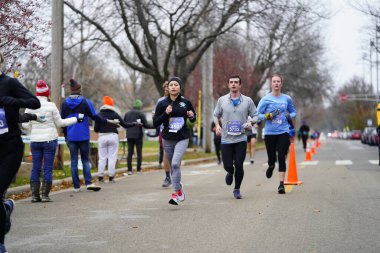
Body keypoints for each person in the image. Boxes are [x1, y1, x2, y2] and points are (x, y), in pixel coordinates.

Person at [0, 52, 41, 253]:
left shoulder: (9, 83)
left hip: (10, 148)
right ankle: (6, 209)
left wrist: (11, 101)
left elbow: (34, 102)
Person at [22, 80, 78, 202]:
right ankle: (45, 195)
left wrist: (33, 127)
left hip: (35, 140)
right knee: (47, 167)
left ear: (37, 93)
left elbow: (25, 125)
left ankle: (34, 196)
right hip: (50, 140)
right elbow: (60, 123)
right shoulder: (51, 106)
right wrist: (75, 119)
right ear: (47, 93)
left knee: (36, 167)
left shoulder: (30, 106)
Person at [61, 79, 118, 192]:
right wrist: (107, 121)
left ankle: (76, 186)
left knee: (73, 161)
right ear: (79, 90)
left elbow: (61, 120)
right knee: (85, 160)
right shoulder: (85, 102)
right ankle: (88, 183)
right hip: (83, 135)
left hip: (71, 135)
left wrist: (66, 134)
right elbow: (95, 116)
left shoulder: (64, 104)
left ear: (71, 90)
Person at [153, 76, 196, 205]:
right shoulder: (162, 103)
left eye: (176, 85)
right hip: (168, 138)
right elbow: (156, 122)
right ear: (168, 87)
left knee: (176, 164)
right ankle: (179, 191)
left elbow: (193, 117)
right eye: (171, 85)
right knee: (173, 167)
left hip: (182, 138)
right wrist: (165, 113)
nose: (173, 87)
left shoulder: (186, 102)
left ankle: (175, 194)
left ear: (180, 87)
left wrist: (192, 116)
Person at [213, 75, 257, 199]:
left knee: (239, 164)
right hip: (226, 138)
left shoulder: (247, 101)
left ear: (240, 85)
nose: (233, 84)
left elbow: (256, 115)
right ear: (228, 85)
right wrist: (217, 125)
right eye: (231, 82)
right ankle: (229, 172)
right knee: (228, 165)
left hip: (241, 138)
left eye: (236, 82)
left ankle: (237, 189)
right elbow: (215, 115)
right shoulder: (222, 100)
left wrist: (251, 123)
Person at [256, 74, 297, 194]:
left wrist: (289, 115)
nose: (276, 83)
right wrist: (268, 116)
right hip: (269, 132)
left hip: (283, 131)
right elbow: (257, 114)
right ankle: (271, 166)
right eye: (274, 81)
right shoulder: (265, 99)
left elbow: (294, 112)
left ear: (281, 84)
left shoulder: (287, 99)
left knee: (281, 157)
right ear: (271, 84)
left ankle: (281, 184)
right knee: (272, 158)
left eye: (278, 81)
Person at [94, 96, 140, 183]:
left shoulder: (98, 115)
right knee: (112, 157)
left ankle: (100, 177)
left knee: (102, 158)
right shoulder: (114, 114)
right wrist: (134, 124)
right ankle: (111, 177)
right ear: (112, 105)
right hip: (113, 136)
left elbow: (96, 129)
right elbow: (125, 125)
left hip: (102, 137)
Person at [123, 99, 154, 175]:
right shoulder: (141, 114)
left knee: (129, 153)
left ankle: (129, 170)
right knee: (139, 153)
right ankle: (138, 170)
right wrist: (154, 126)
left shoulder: (127, 114)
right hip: (138, 135)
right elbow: (146, 125)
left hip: (129, 135)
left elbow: (124, 123)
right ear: (140, 106)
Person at [153, 82, 172, 187]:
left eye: (168, 87)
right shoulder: (160, 101)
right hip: (164, 130)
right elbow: (157, 116)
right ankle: (167, 176)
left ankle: (175, 174)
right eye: (165, 87)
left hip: (178, 130)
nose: (166, 89)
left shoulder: (181, 100)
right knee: (166, 152)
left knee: (175, 155)